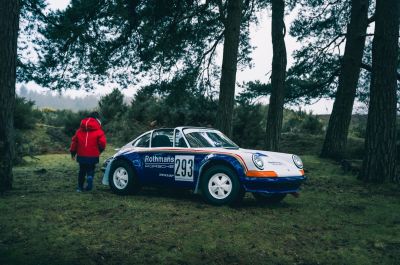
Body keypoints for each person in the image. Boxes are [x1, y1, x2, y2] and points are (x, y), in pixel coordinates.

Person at [70, 111, 106, 192]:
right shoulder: (99, 131)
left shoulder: (79, 130)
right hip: (93, 155)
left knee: (82, 170)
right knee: (91, 168)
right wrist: (100, 150)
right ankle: (90, 177)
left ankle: (80, 187)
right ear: (97, 119)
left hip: (81, 155)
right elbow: (102, 143)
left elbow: (74, 141)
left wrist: (73, 152)